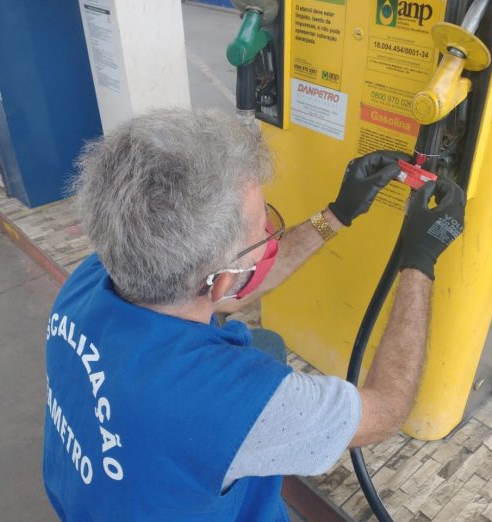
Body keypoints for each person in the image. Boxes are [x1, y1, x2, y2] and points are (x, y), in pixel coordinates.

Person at [43, 108, 465, 521]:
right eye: (264, 229)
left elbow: (227, 294)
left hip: (93, 499)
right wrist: (419, 261)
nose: (269, 236)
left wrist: (337, 214)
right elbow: (387, 411)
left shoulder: (98, 273)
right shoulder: (232, 401)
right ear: (222, 278)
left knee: (266, 345)